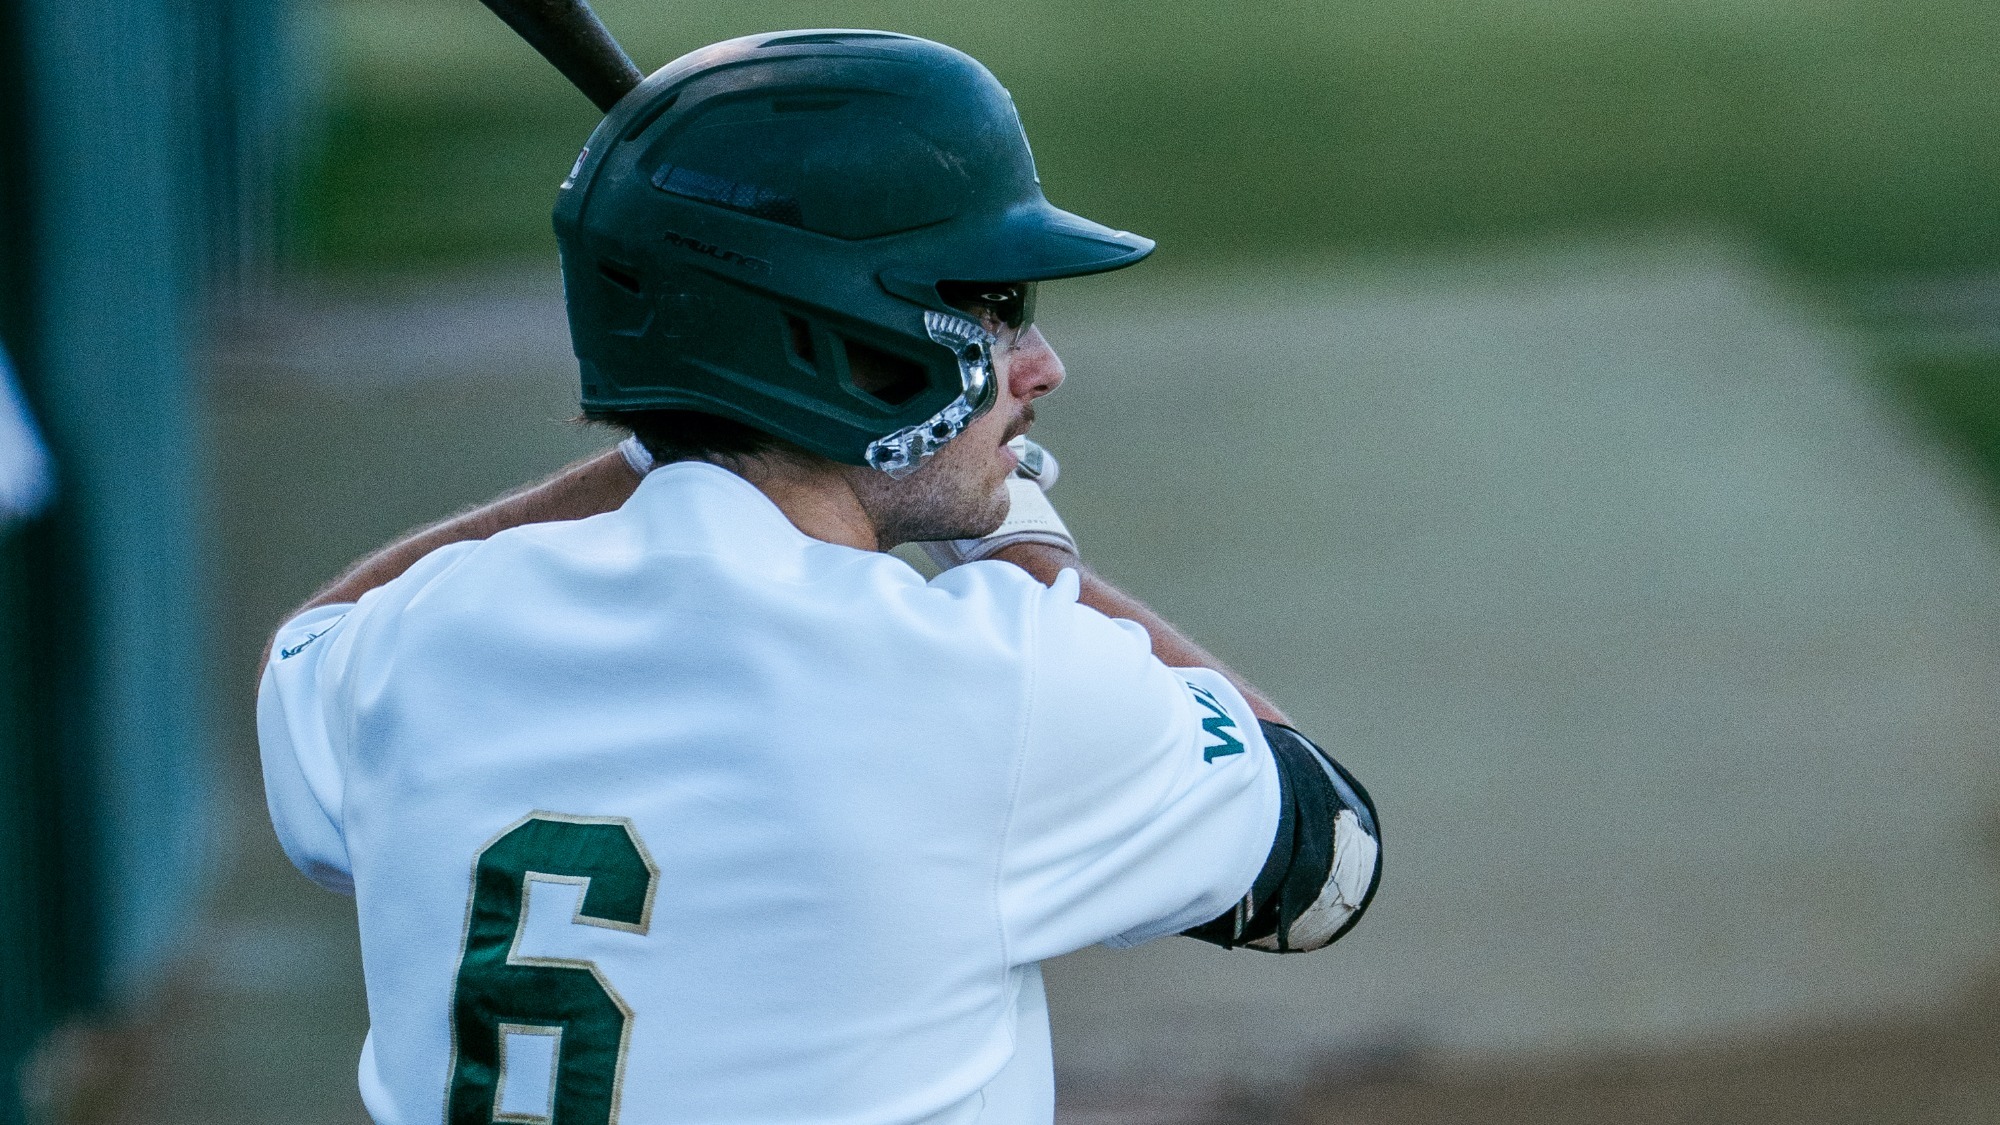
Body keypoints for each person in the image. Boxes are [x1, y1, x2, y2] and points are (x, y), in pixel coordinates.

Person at [257, 29, 1379, 1125]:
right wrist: (1018, 549)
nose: (1040, 366)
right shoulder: (996, 681)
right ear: (862, 352)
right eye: (995, 310)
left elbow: (315, 640)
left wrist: (661, 443)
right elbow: (1319, 860)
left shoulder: (419, 643)